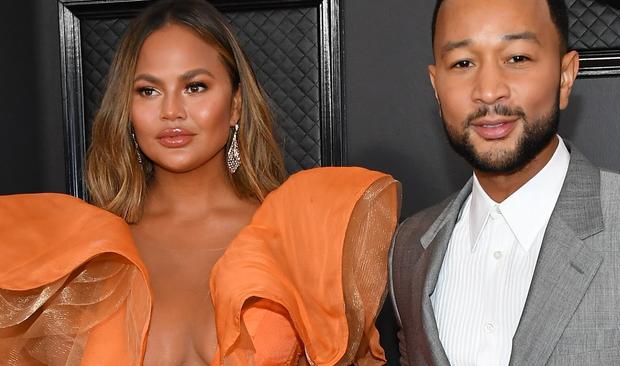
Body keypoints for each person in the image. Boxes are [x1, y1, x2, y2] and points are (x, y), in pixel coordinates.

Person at [0, 0, 400, 365]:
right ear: (128, 110)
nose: (172, 110)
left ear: (236, 105)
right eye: (149, 90)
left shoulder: (298, 238)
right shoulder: (84, 254)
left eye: (195, 87)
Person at [389, 0, 620, 365]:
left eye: (517, 58)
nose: (489, 90)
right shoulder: (409, 248)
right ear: (436, 86)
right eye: (463, 63)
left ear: (565, 75)